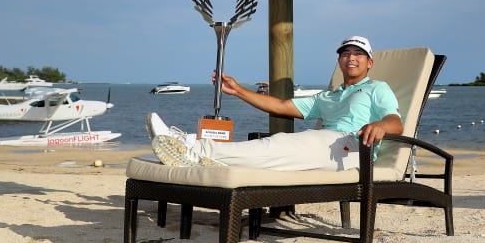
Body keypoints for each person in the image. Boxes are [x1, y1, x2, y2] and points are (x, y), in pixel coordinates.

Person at [147, 35, 402, 171]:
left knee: (278, 144)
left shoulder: (376, 88)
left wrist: (380, 125)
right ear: (339, 61)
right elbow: (281, 106)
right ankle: (196, 153)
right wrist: (238, 91)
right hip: (326, 143)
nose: (351, 58)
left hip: (355, 150)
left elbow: (395, 122)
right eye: (345, 53)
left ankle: (193, 147)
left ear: (369, 62)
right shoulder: (328, 96)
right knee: (274, 148)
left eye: (358, 54)